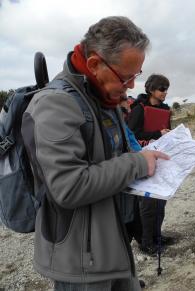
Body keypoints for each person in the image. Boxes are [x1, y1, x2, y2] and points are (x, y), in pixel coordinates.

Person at [21, 16, 169, 291]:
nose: (132, 87)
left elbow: (114, 157)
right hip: (81, 260)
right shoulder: (55, 104)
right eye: (126, 77)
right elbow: (68, 186)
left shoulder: (103, 96)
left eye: (135, 76)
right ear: (94, 64)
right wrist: (137, 163)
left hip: (110, 241)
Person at [128, 74, 173, 255]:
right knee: (147, 204)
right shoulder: (139, 109)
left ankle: (157, 236)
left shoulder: (165, 109)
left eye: (166, 89)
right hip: (143, 159)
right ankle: (146, 242)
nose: (165, 93)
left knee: (160, 201)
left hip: (159, 159)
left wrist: (168, 134)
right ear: (151, 89)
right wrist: (156, 132)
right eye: (162, 89)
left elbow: (165, 133)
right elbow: (131, 134)